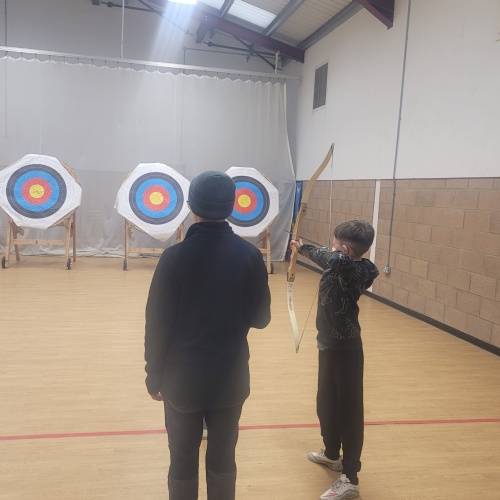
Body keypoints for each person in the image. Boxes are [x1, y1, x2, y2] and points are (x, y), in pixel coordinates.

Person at [144, 170, 271, 500]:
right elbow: (261, 319)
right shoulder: (250, 256)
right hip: (230, 379)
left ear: (191, 206)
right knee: (223, 458)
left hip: (181, 381)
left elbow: (157, 325)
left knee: (182, 460)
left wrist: (153, 377)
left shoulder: (174, 257)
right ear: (232, 207)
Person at [290, 220, 379, 500]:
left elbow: (333, 259)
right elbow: (333, 258)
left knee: (348, 412)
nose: (332, 246)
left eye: (336, 242)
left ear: (345, 249)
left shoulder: (356, 268)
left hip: (347, 350)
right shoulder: (343, 263)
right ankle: (331, 454)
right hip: (328, 344)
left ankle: (350, 478)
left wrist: (302, 248)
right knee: (326, 402)